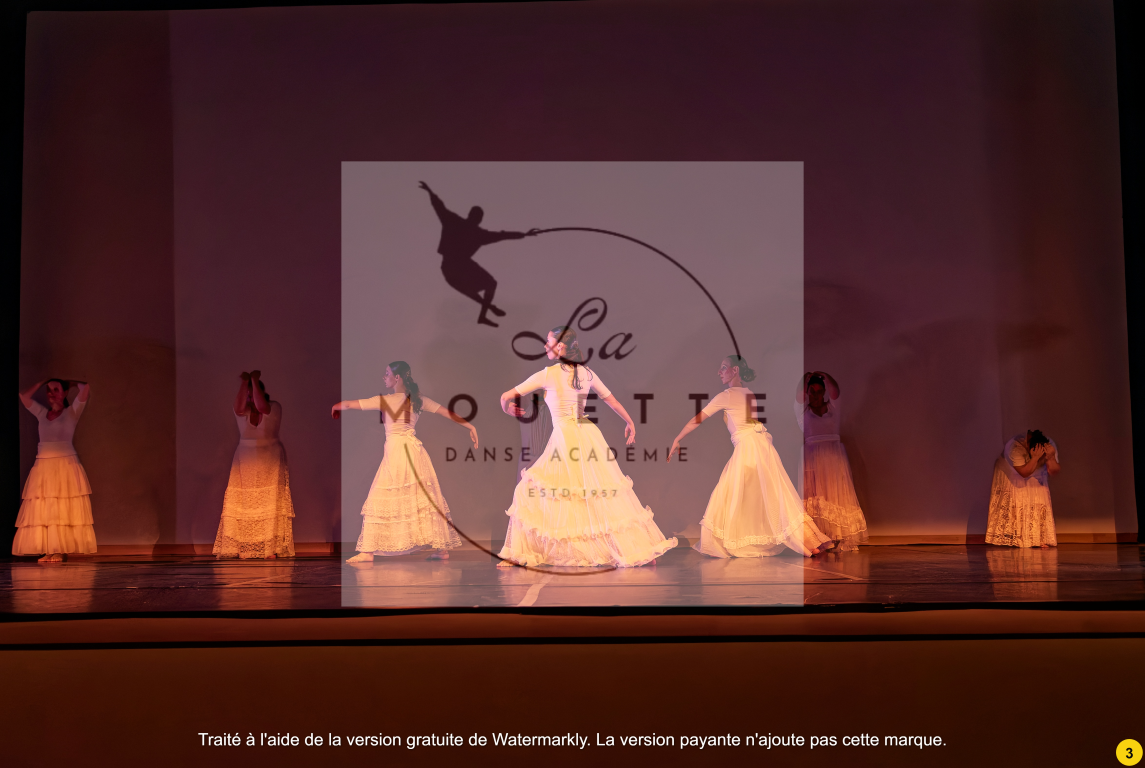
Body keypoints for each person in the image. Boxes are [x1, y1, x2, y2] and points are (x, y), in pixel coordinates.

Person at [497, 326, 676, 567]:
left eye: (548, 341)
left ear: (560, 346)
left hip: (566, 437)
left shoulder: (548, 374)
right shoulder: (586, 373)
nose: (545, 346)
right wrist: (630, 421)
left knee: (542, 491)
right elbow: (611, 400)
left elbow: (505, 396)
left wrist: (507, 408)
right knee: (598, 494)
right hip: (588, 434)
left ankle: (524, 553)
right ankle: (639, 548)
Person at [668, 356, 833, 557]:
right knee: (774, 494)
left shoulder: (727, 395)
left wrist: (677, 438)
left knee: (732, 492)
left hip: (749, 446)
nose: (719, 372)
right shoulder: (749, 393)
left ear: (735, 370)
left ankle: (744, 540)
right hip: (762, 445)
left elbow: (698, 419)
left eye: (723, 368)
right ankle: (808, 542)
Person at [333, 361, 475, 562]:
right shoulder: (417, 399)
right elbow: (448, 413)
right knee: (421, 498)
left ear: (397, 377)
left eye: (387, 373)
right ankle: (441, 549)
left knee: (382, 495)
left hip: (398, 451)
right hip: (413, 452)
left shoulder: (386, 400)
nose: (384, 377)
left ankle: (367, 552)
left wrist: (336, 406)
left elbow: (350, 404)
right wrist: (470, 426)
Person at [418, 181, 540, 327]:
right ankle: (487, 309)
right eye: (476, 217)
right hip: (451, 266)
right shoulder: (455, 222)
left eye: (479, 218)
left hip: (460, 266)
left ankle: (483, 314)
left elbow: (502, 235)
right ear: (471, 215)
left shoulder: (478, 233)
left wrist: (524, 234)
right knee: (477, 286)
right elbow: (439, 207)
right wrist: (430, 192)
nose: (477, 220)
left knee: (490, 284)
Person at [213, 371, 296, 559]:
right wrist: (244, 383)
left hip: (270, 457)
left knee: (269, 501)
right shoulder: (243, 411)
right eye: (248, 395)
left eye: (252, 394)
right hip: (246, 458)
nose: (250, 398)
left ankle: (269, 548)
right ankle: (244, 546)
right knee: (246, 502)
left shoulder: (274, 407)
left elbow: (262, 407)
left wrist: (254, 380)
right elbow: (238, 408)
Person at [14, 378, 96, 561]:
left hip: (65, 465)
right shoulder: (42, 413)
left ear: (64, 393)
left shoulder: (72, 412)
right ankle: (49, 549)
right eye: (49, 390)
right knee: (46, 507)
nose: (51, 394)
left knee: (62, 507)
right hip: (44, 466)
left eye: (56, 390)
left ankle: (59, 549)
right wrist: (42, 382)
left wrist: (71, 384)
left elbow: (86, 388)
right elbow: (23, 396)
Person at [794, 371, 868, 551]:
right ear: (808, 392)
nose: (816, 395)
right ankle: (818, 537)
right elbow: (798, 397)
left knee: (835, 495)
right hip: (812, 456)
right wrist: (805, 378)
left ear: (824, 392)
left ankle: (837, 536)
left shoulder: (833, 408)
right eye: (812, 391)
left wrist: (825, 376)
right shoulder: (803, 411)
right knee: (815, 496)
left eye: (820, 391)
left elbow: (836, 392)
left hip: (833, 457)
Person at [985, 429, 1060, 548]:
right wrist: (1035, 458)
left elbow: (1053, 471)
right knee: (1019, 500)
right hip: (1013, 473)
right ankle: (1016, 538)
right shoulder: (1014, 447)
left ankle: (1038, 538)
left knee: (1039, 500)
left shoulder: (1048, 445)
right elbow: (1024, 473)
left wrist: (1050, 457)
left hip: (1037, 474)